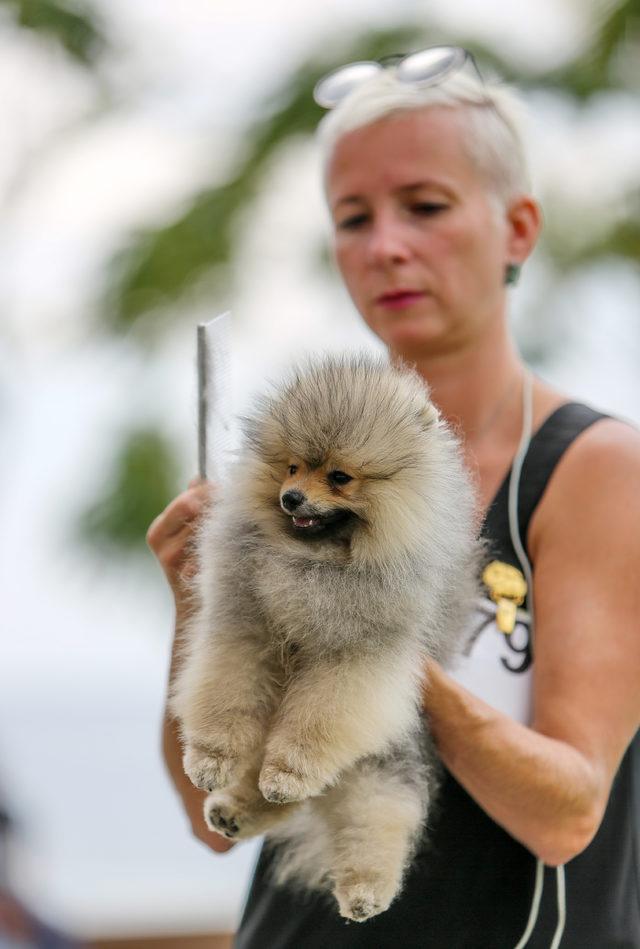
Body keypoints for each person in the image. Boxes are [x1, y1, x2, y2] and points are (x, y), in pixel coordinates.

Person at [147, 46, 640, 948]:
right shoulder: (291, 482)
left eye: (426, 205)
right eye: (352, 216)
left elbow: (568, 813)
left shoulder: (597, 470)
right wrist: (202, 601)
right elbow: (206, 816)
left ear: (519, 227)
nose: (386, 246)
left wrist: (376, 648)